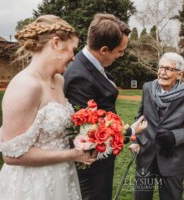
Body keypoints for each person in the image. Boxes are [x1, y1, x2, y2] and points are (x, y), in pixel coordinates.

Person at [0, 15, 96, 200]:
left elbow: (57, 131)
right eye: (72, 50)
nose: (73, 57)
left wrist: (82, 138)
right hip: (33, 185)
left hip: (63, 178)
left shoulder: (59, 80)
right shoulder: (25, 85)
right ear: (56, 43)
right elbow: (11, 156)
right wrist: (72, 154)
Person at [63, 13, 147, 200]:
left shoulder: (88, 64)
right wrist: (131, 130)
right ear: (104, 50)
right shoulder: (79, 77)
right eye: (120, 51)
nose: (121, 55)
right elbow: (90, 134)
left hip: (101, 164)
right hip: (92, 167)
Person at [129, 52, 184, 200]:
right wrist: (136, 141)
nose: (162, 72)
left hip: (172, 158)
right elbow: (139, 117)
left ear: (179, 74)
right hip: (146, 154)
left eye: (168, 69)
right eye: (160, 67)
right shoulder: (148, 88)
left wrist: (174, 137)